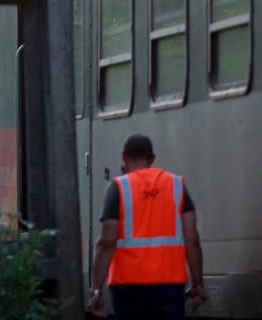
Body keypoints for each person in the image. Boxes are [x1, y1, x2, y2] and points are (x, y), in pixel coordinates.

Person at [88, 134, 206, 319]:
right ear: (152, 158)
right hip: (169, 286)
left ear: (124, 157)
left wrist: (96, 290)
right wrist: (198, 284)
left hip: (127, 288)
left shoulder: (117, 188)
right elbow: (192, 239)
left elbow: (106, 242)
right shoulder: (176, 185)